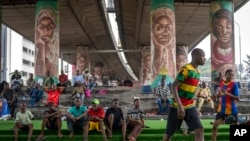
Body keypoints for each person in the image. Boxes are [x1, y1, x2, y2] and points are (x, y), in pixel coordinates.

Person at [163, 48, 206, 141]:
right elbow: (173, 86)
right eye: (203, 56)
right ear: (195, 56)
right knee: (169, 134)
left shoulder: (198, 72)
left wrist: (195, 108)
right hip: (176, 107)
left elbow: (192, 90)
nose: (205, 59)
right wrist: (179, 106)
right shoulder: (186, 69)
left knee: (199, 129)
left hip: (190, 106)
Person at [211, 69, 239, 141]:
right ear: (225, 75)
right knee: (215, 126)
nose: (231, 76)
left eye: (232, 75)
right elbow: (219, 95)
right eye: (230, 74)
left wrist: (227, 93)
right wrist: (215, 96)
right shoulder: (221, 83)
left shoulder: (234, 85)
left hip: (231, 109)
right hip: (222, 108)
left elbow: (237, 98)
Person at [151, 7, 176, 80]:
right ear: (153, 31)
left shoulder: (173, 53)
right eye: (159, 28)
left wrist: (168, 49)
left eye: (168, 28)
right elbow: (155, 76)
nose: (164, 32)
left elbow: (171, 76)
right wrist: (158, 49)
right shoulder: (153, 53)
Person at [35, 8, 59, 77]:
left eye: (50, 27)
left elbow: (54, 72)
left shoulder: (56, 45)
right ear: (37, 30)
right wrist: (41, 46)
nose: (46, 31)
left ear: (54, 29)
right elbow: (39, 72)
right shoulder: (38, 45)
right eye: (41, 27)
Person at [211, 9, 234, 77]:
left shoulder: (233, 50)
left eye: (228, 27)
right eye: (219, 28)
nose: (224, 32)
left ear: (232, 30)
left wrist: (230, 67)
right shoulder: (213, 50)